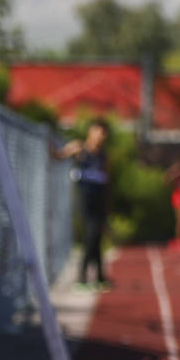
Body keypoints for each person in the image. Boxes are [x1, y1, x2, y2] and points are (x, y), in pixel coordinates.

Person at [52, 118, 111, 290]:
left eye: (103, 133)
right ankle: (82, 278)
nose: (101, 136)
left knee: (98, 237)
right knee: (90, 235)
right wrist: (50, 148)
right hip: (85, 198)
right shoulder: (79, 148)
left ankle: (99, 277)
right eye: (98, 131)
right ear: (90, 131)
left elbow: (107, 178)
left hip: (99, 198)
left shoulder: (103, 154)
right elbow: (59, 155)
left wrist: (108, 204)